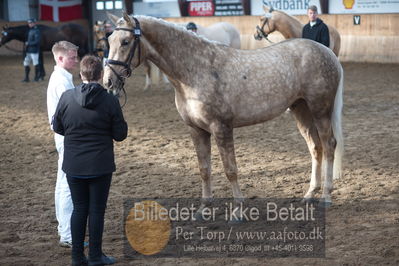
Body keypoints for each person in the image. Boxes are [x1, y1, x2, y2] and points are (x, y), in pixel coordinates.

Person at [52, 55, 128, 266]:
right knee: (96, 210)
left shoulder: (67, 97)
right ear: (101, 75)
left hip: (74, 164)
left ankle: (77, 257)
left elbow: (57, 126)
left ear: (81, 74)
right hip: (99, 164)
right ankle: (95, 255)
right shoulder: (110, 100)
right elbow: (120, 134)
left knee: (79, 209)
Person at [47, 41, 79, 248]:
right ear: (60, 58)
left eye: (76, 56)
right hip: (69, 138)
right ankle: (67, 234)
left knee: (62, 184)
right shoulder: (62, 82)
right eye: (72, 57)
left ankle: (63, 230)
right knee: (67, 186)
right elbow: (70, 114)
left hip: (64, 137)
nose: (76, 60)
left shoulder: (62, 78)